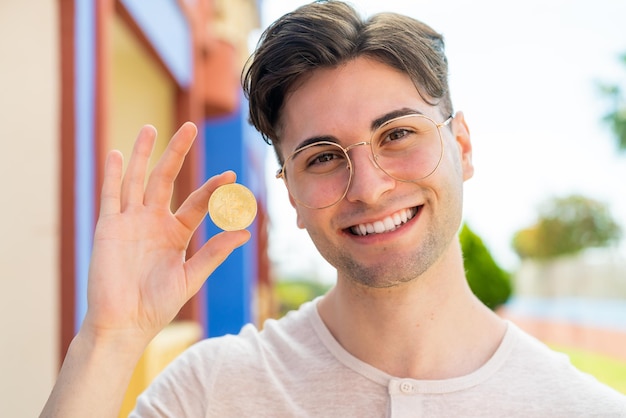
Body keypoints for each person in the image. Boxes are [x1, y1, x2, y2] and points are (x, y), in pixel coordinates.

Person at [41, 1, 626, 417]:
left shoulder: (583, 409)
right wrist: (109, 339)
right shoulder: (212, 391)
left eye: (397, 134)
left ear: (462, 147)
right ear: (290, 194)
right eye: (322, 157)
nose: (368, 188)